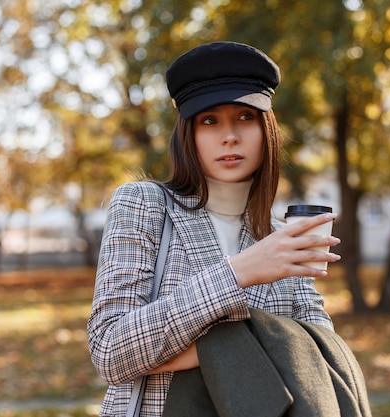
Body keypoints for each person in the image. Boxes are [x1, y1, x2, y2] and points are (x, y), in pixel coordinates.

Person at [87, 41, 342, 416]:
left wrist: (191, 352)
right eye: (209, 120)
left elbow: (319, 352)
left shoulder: (279, 235)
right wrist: (238, 272)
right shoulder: (144, 204)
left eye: (245, 117)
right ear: (188, 133)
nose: (229, 136)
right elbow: (111, 352)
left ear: (265, 128)